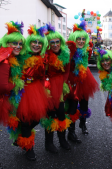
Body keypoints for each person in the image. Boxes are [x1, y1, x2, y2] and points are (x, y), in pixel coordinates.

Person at [7, 24, 50, 161]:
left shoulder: (43, 58)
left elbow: (44, 75)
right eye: (34, 42)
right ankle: (28, 148)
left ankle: (21, 136)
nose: (36, 45)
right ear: (29, 43)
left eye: (39, 43)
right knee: (25, 120)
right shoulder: (21, 55)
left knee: (36, 119)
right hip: (22, 91)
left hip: (37, 91)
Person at [40, 23, 72, 153]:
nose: (54, 44)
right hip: (47, 87)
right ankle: (49, 143)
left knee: (61, 113)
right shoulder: (45, 55)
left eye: (57, 42)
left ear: (60, 42)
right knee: (50, 115)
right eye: (51, 42)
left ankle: (62, 140)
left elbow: (67, 71)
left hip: (60, 87)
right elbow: (42, 72)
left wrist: (63, 83)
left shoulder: (65, 54)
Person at [66, 21, 99, 143]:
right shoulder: (68, 51)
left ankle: (83, 124)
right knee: (72, 106)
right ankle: (71, 132)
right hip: (72, 80)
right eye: (78, 39)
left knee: (84, 104)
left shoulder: (87, 50)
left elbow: (89, 48)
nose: (80, 41)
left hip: (84, 79)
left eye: (82, 39)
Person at [0, 21, 26, 169]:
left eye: (20, 43)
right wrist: (16, 85)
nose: (18, 46)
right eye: (14, 43)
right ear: (6, 43)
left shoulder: (8, 57)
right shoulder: (5, 61)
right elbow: (3, 86)